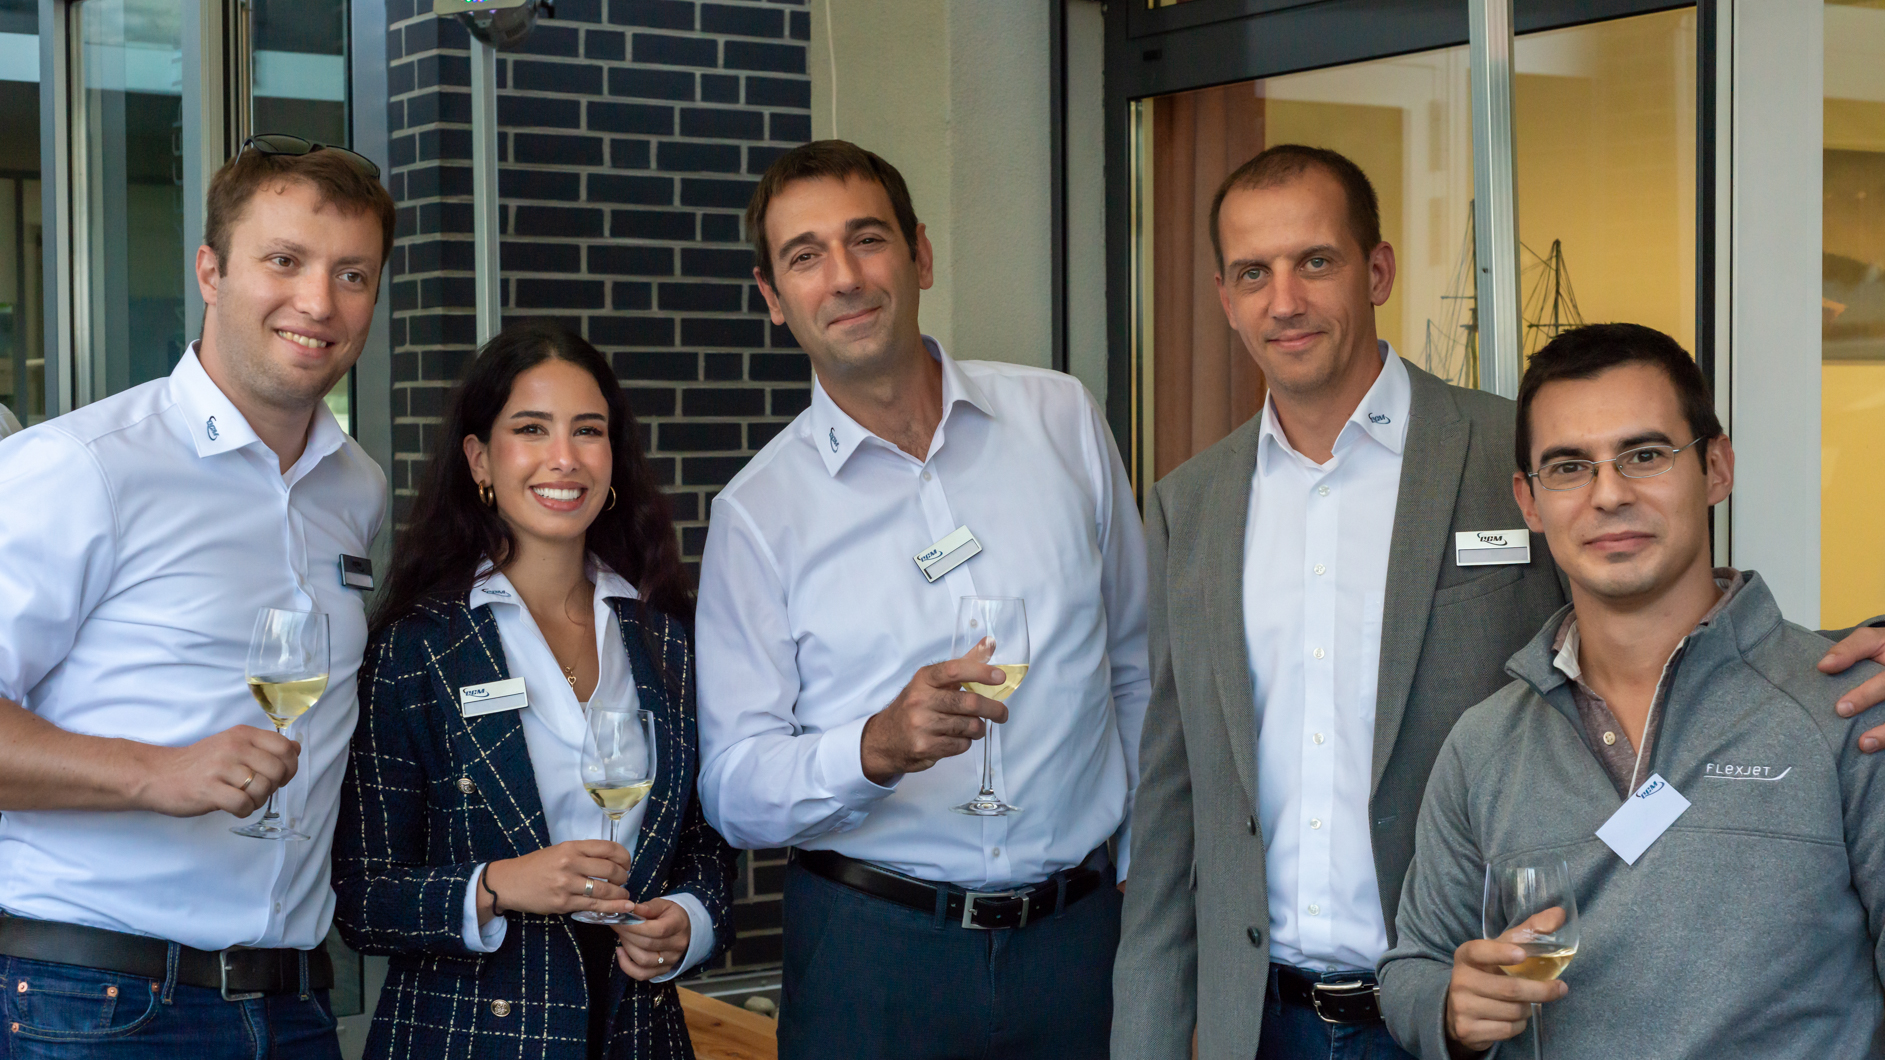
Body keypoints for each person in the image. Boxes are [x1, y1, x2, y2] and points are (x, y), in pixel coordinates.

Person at [1110, 144, 1885, 1060]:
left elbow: (1662, 616)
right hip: (1271, 1016)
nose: (1283, 300)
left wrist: (1847, 653)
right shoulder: (1190, 502)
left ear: (1377, 271)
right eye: (1252, 273)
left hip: (1495, 1011)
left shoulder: (1506, 447)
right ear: (1223, 296)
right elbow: (1175, 792)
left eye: (1314, 261)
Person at [695, 140, 1149, 1059]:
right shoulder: (757, 513)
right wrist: (870, 748)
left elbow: (1137, 666)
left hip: (1082, 943)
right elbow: (732, 786)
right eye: (806, 256)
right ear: (774, 298)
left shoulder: (1061, 419)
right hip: (873, 957)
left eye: (867, 240)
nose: (844, 277)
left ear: (921, 255)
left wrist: (1143, 871)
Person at [1378, 322, 1885, 1058]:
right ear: (1528, 501)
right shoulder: (1483, 744)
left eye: (1644, 455)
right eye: (1568, 467)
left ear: (1715, 468)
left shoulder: (1848, 708)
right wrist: (1451, 1008)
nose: (1608, 495)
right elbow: (1414, 967)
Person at [0, 140, 391, 1056]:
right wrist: (154, 773)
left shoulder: (356, 488)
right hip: (98, 1004)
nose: (318, 302)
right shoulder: (82, 467)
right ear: (210, 272)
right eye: (283, 261)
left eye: (352, 275)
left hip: (295, 1003)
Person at [332, 322, 737, 1060]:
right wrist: (496, 885)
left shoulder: (670, 637)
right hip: (465, 1040)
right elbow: (362, 898)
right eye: (531, 429)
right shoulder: (418, 648)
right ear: (479, 459)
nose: (564, 457)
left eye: (588, 430)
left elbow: (705, 843)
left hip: (638, 1034)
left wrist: (691, 921)